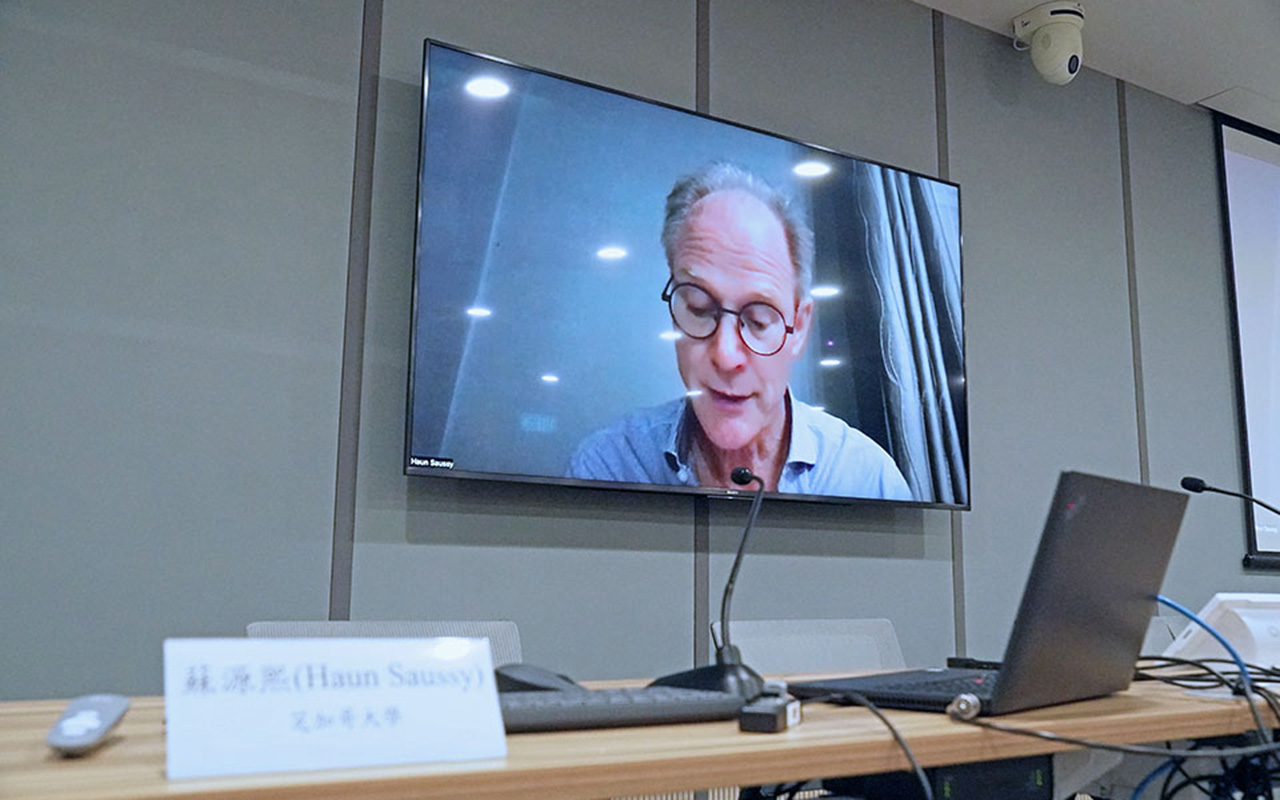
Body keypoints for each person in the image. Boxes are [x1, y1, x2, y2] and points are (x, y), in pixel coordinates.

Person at [568, 163, 911, 499]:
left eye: (758, 320)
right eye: (699, 308)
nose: (726, 355)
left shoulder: (867, 478)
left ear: (798, 328)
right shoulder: (609, 466)